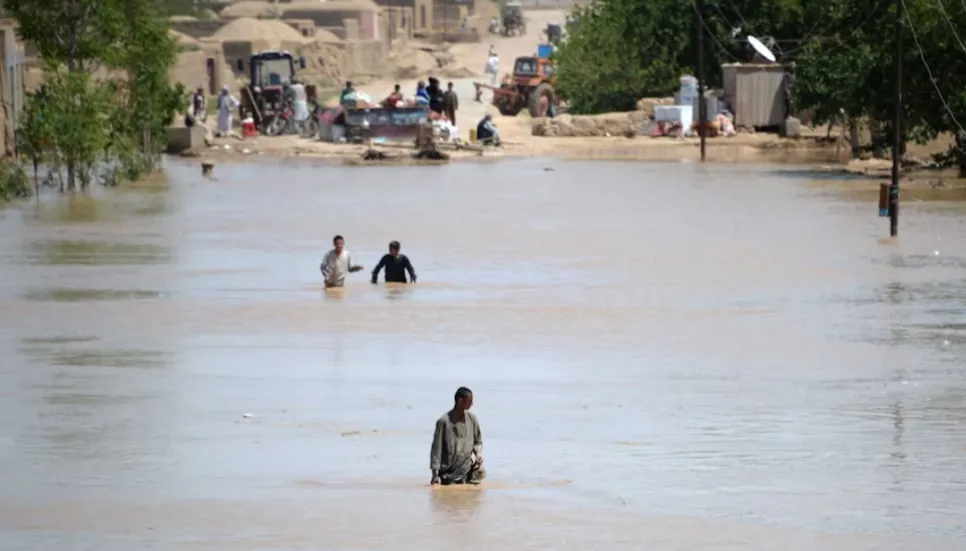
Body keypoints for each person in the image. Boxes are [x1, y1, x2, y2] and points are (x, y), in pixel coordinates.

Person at [430, 387, 485, 486]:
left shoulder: (472, 419)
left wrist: (478, 454)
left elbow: (478, 441)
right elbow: (436, 450)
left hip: (467, 472)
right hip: (448, 474)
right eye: (470, 401)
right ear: (460, 401)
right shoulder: (444, 422)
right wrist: (434, 475)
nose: (472, 404)